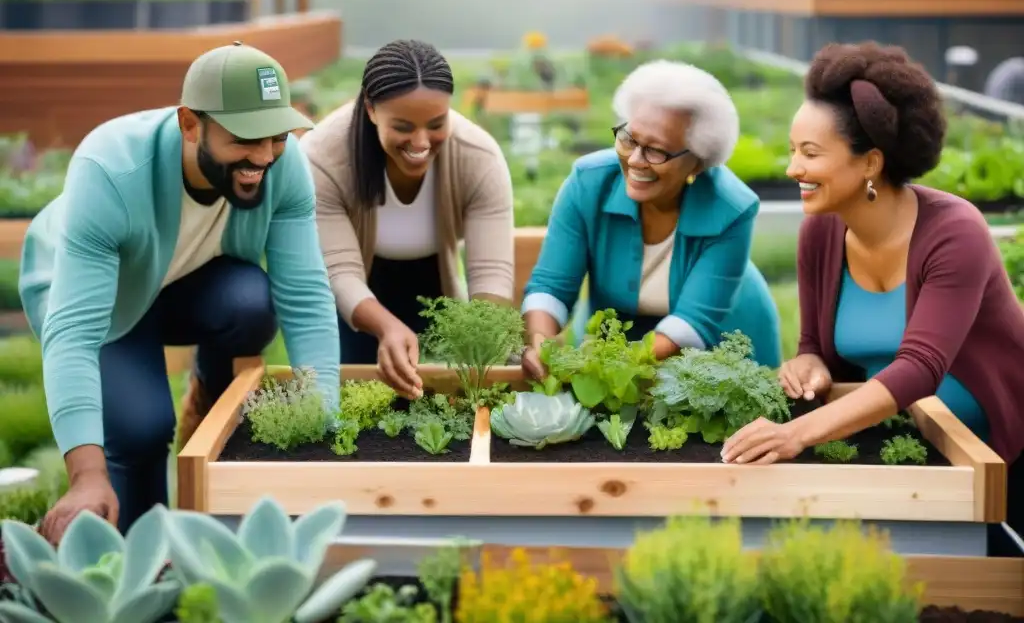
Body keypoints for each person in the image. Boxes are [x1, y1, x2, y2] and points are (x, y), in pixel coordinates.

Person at [19, 42, 341, 541]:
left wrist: (325, 416)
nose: (264, 155)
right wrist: (86, 475)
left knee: (251, 302)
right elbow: (75, 334)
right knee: (141, 429)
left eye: (276, 136)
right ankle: (141, 570)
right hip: (96, 298)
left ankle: (208, 404)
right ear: (191, 124)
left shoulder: (284, 164)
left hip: (181, 281)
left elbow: (305, 294)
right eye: (246, 138)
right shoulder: (111, 168)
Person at [720, 41, 1024, 534]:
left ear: (870, 163)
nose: (791, 168)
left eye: (810, 153)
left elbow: (919, 368)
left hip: (993, 455)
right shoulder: (821, 231)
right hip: (897, 442)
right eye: (792, 150)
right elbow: (814, 347)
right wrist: (807, 365)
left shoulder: (955, 232)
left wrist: (794, 433)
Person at [520, 59, 782, 375]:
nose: (635, 160)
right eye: (629, 138)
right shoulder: (587, 183)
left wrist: (603, 370)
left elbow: (692, 323)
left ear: (698, 162)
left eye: (656, 151)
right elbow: (551, 285)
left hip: (719, 347)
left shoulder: (733, 209)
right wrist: (541, 343)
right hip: (618, 345)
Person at [301, 39, 514, 399]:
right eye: (403, 126)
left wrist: (484, 339)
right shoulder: (323, 156)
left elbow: (491, 270)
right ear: (370, 108)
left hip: (436, 286)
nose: (420, 142)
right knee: (359, 396)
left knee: (452, 394)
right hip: (359, 296)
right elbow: (340, 270)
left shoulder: (479, 157)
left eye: (436, 123)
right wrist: (384, 328)